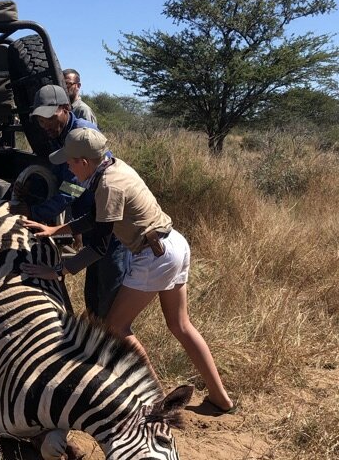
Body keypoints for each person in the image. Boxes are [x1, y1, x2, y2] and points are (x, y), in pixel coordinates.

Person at [21, 128, 236, 415]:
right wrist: (57, 229)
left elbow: (99, 244)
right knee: (181, 325)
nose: (68, 167)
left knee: (116, 328)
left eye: (70, 162)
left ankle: (159, 403)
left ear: (84, 162)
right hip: (173, 244)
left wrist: (59, 269)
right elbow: (96, 218)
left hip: (154, 255)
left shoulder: (108, 185)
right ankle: (221, 399)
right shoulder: (113, 167)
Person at [16, 83, 126, 320]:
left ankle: (114, 347)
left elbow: (71, 189)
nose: (45, 124)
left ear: (65, 108)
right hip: (92, 220)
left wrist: (36, 211)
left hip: (110, 226)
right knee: (94, 294)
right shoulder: (60, 133)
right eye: (40, 120)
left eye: (49, 117)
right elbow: (61, 176)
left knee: (111, 303)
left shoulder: (81, 136)